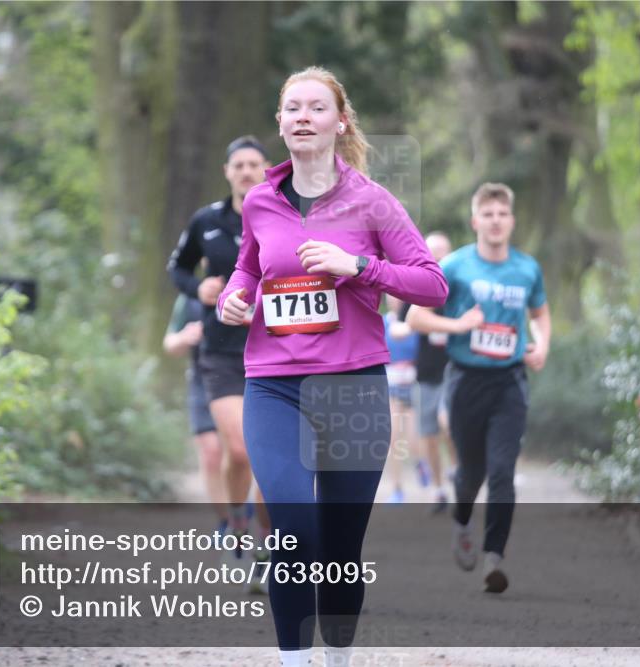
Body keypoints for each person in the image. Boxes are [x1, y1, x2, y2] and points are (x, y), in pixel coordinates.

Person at [217, 66, 447, 667]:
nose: (302, 117)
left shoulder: (372, 201)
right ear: (280, 122)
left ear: (339, 121)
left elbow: (432, 285)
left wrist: (358, 267)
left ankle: (338, 657)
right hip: (273, 387)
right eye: (292, 107)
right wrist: (232, 298)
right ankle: (295, 660)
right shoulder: (261, 201)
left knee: (341, 546)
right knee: (295, 533)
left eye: (316, 107)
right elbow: (248, 268)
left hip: (353, 389)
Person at [406, 183, 551, 594]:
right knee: (471, 473)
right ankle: (462, 518)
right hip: (466, 380)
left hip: (509, 381)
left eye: (502, 214)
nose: (495, 221)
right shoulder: (453, 267)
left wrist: (541, 344)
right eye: (487, 214)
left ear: (512, 221)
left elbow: (541, 314)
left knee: (503, 471)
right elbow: (417, 317)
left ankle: (494, 558)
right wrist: (458, 325)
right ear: (475, 222)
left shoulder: (527, 268)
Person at [167, 136, 272, 590]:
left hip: (274, 351)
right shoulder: (207, 221)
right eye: (238, 165)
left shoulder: (284, 216)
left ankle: (271, 548)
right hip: (221, 352)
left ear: (267, 168)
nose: (246, 171)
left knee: (269, 460)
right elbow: (178, 268)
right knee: (241, 449)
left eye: (254, 164)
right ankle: (236, 528)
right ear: (227, 171)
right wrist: (199, 290)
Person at [162, 293, 228, 534]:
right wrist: (185, 337)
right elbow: (169, 343)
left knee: (241, 451)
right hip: (202, 381)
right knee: (211, 451)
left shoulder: (250, 285)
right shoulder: (190, 298)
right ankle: (226, 521)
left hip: (242, 377)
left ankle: (244, 508)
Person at [404, 232, 457, 513]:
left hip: (454, 367)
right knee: (429, 434)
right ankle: (439, 489)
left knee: (447, 420)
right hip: (425, 371)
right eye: (433, 252)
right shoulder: (418, 286)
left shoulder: (459, 286)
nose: (438, 257)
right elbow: (402, 325)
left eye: (443, 252)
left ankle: (458, 472)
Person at [382, 294, 419, 504]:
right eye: (389, 296)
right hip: (391, 387)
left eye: (397, 295)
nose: (393, 299)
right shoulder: (381, 323)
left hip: (415, 386)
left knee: (415, 440)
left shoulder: (415, 320)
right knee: (394, 440)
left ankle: (420, 462)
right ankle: (397, 489)